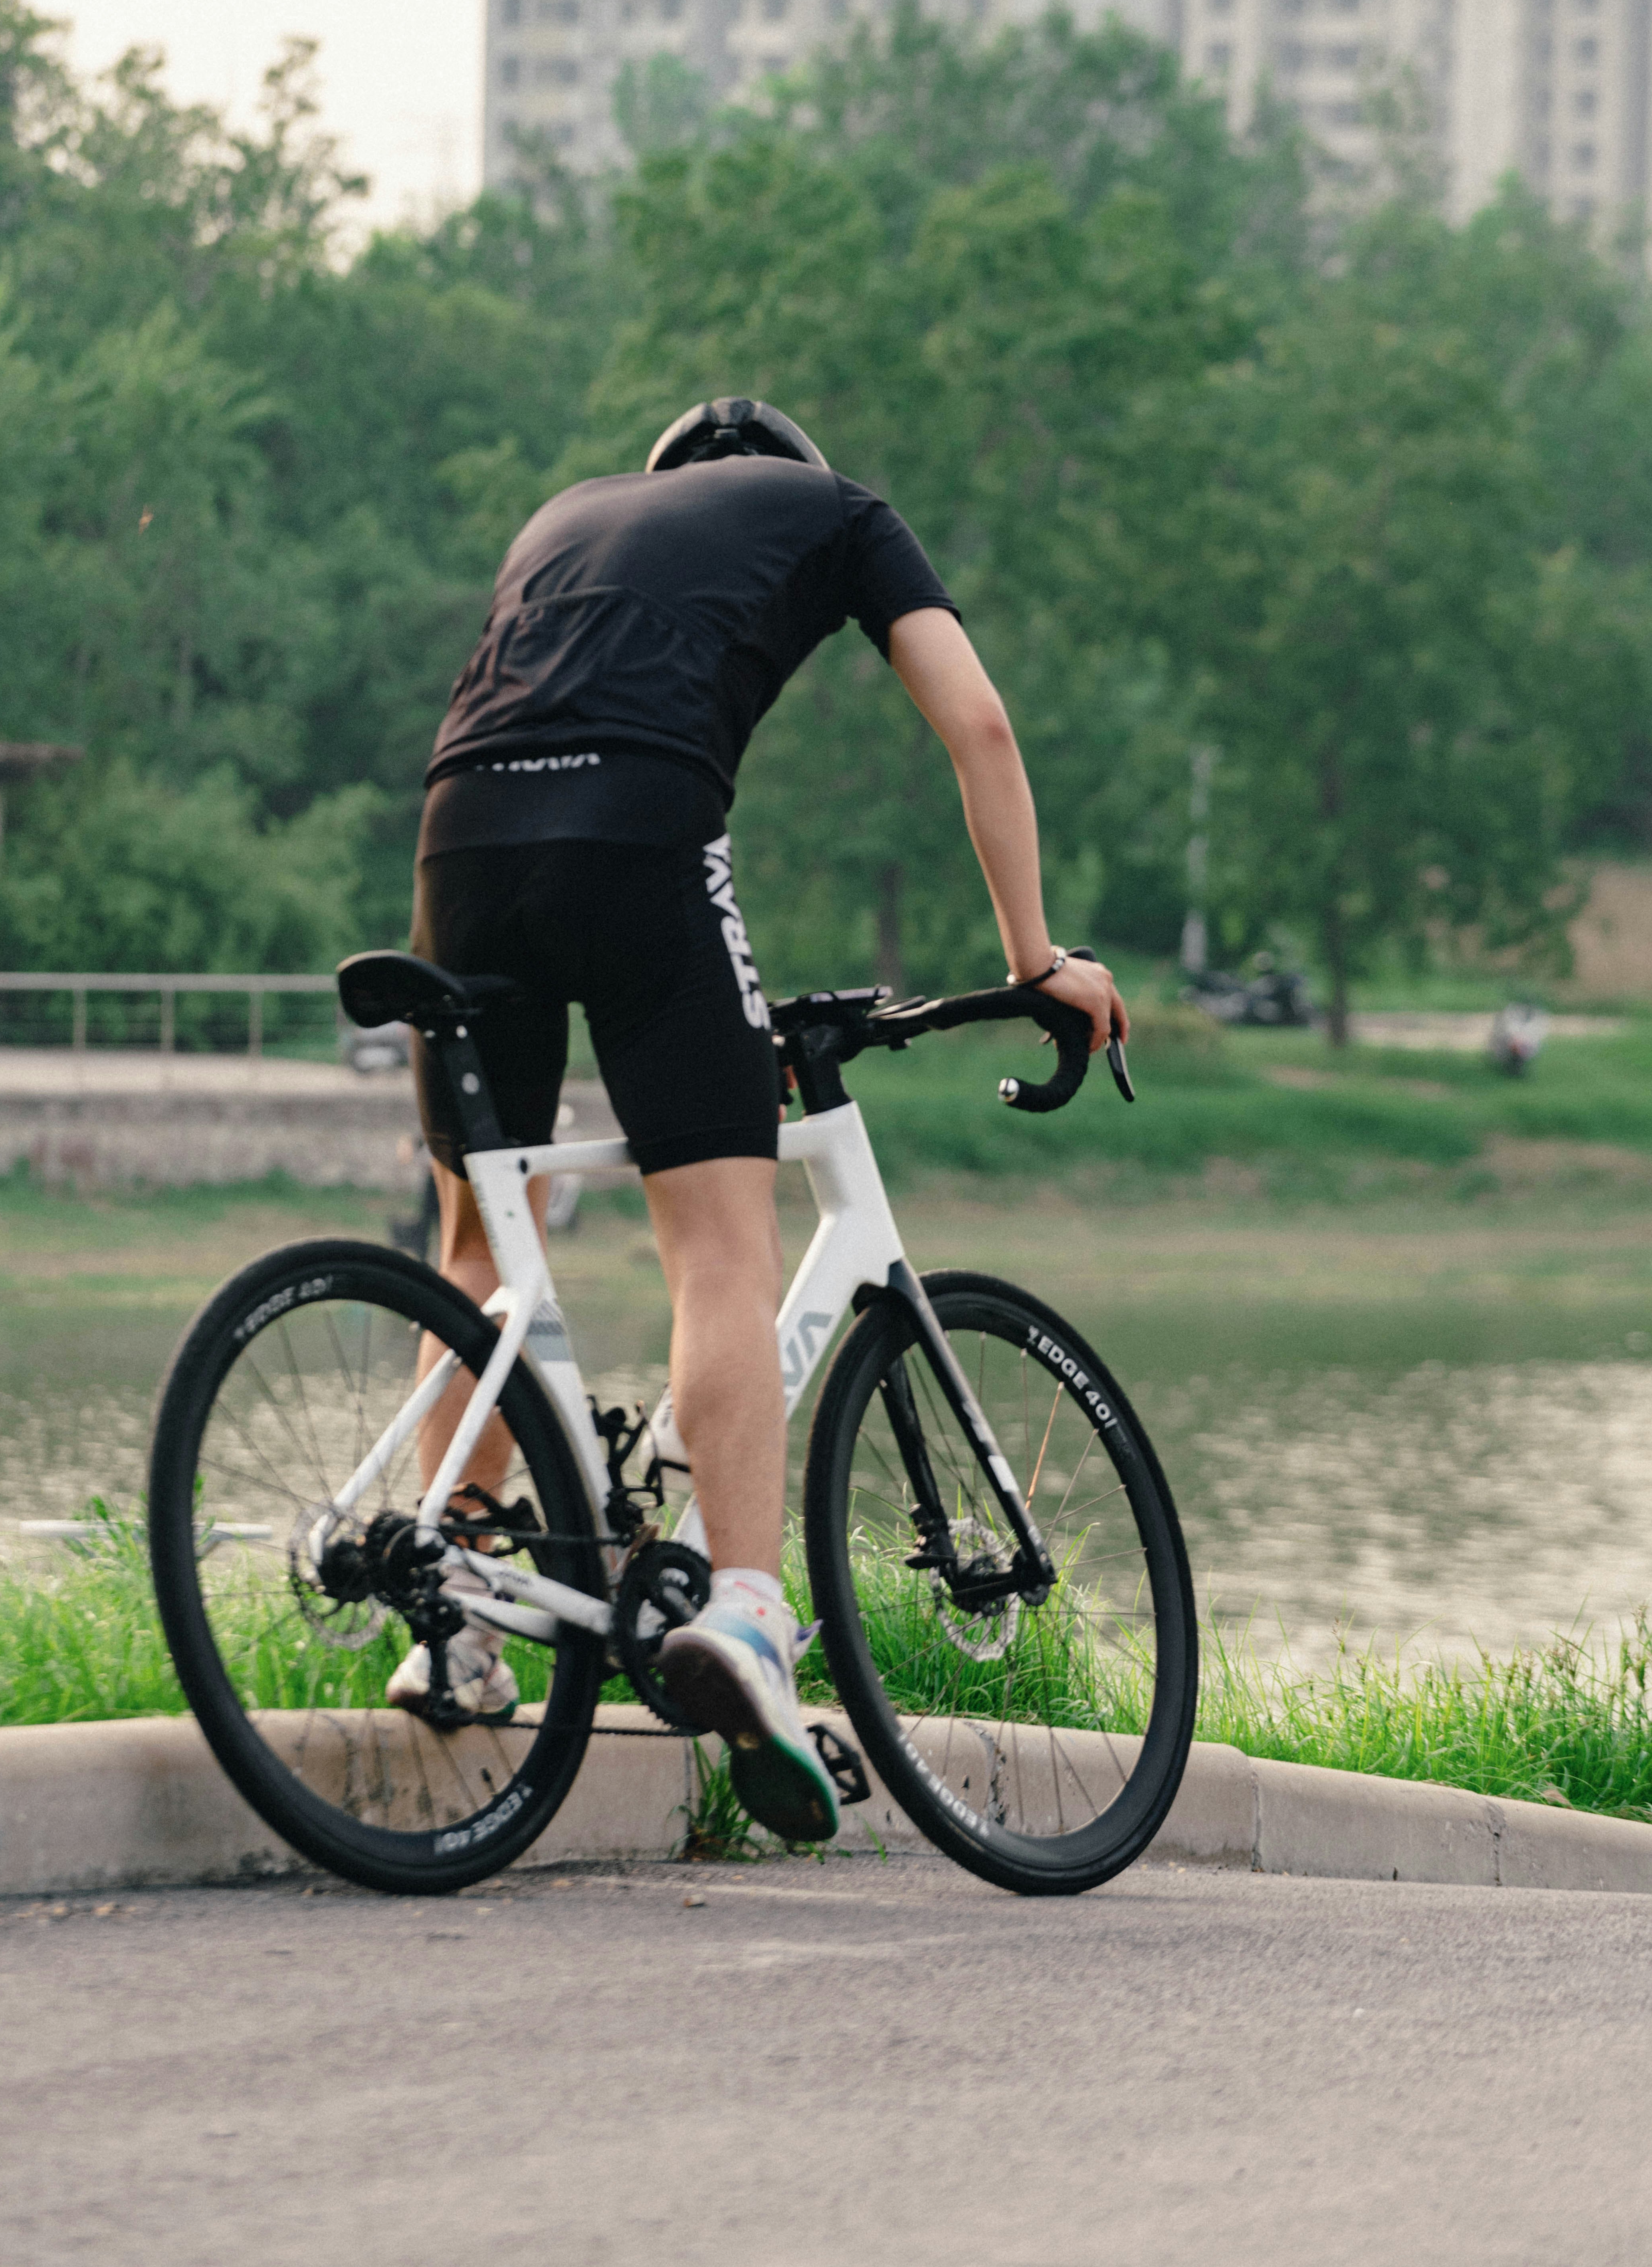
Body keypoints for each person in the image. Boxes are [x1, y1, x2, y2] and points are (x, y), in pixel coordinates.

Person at [398, 395, 1124, 1844]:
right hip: (638, 835)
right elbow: (977, 720)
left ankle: (456, 1607)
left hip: (459, 836)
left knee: (479, 1235)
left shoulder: (562, 517)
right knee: (719, 1244)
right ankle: (744, 1611)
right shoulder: (840, 513)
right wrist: (1037, 959)